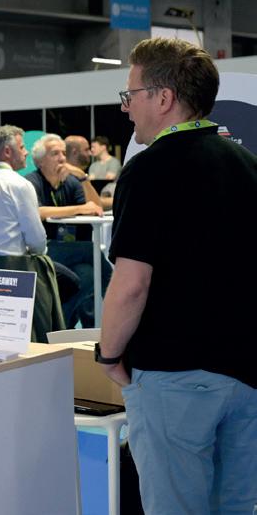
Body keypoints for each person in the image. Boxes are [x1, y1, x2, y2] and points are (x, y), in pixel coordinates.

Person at [98, 37, 256, 513]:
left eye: (130, 94)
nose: (125, 108)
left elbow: (131, 285)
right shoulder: (248, 166)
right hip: (246, 373)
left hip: (175, 376)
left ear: (163, 98)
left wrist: (109, 354)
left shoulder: (148, 171)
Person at [0, 126, 65, 341]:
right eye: (22, 147)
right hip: (14, 271)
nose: (26, 152)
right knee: (28, 337)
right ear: (7, 152)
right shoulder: (20, 185)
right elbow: (37, 241)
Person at [26, 133, 108, 328]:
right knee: (91, 250)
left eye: (63, 153)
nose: (62, 158)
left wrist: (82, 177)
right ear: (40, 161)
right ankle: (115, 290)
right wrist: (79, 208)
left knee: (88, 274)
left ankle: (62, 325)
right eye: (55, 153)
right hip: (44, 250)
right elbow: (39, 211)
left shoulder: (71, 181)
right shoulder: (31, 182)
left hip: (72, 251)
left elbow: (96, 208)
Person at [64, 134, 112, 211]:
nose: (90, 153)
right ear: (74, 152)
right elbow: (94, 205)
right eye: (86, 150)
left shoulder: (76, 176)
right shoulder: (70, 178)